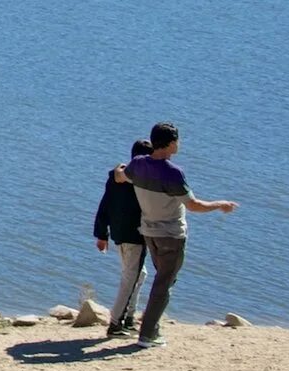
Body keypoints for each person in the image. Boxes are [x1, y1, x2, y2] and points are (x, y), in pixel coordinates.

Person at [125, 121, 237, 348]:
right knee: (164, 283)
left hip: (149, 233)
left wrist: (116, 172)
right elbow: (194, 205)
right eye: (178, 140)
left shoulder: (137, 164)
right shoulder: (173, 173)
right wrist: (220, 204)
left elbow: (122, 176)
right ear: (170, 143)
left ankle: (150, 327)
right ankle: (148, 334)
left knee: (162, 280)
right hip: (171, 235)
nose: (180, 143)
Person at [94, 139, 154, 337]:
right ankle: (115, 323)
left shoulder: (116, 178)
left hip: (119, 235)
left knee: (139, 274)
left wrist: (102, 234)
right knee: (130, 277)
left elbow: (105, 205)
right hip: (134, 235)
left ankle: (128, 318)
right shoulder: (141, 181)